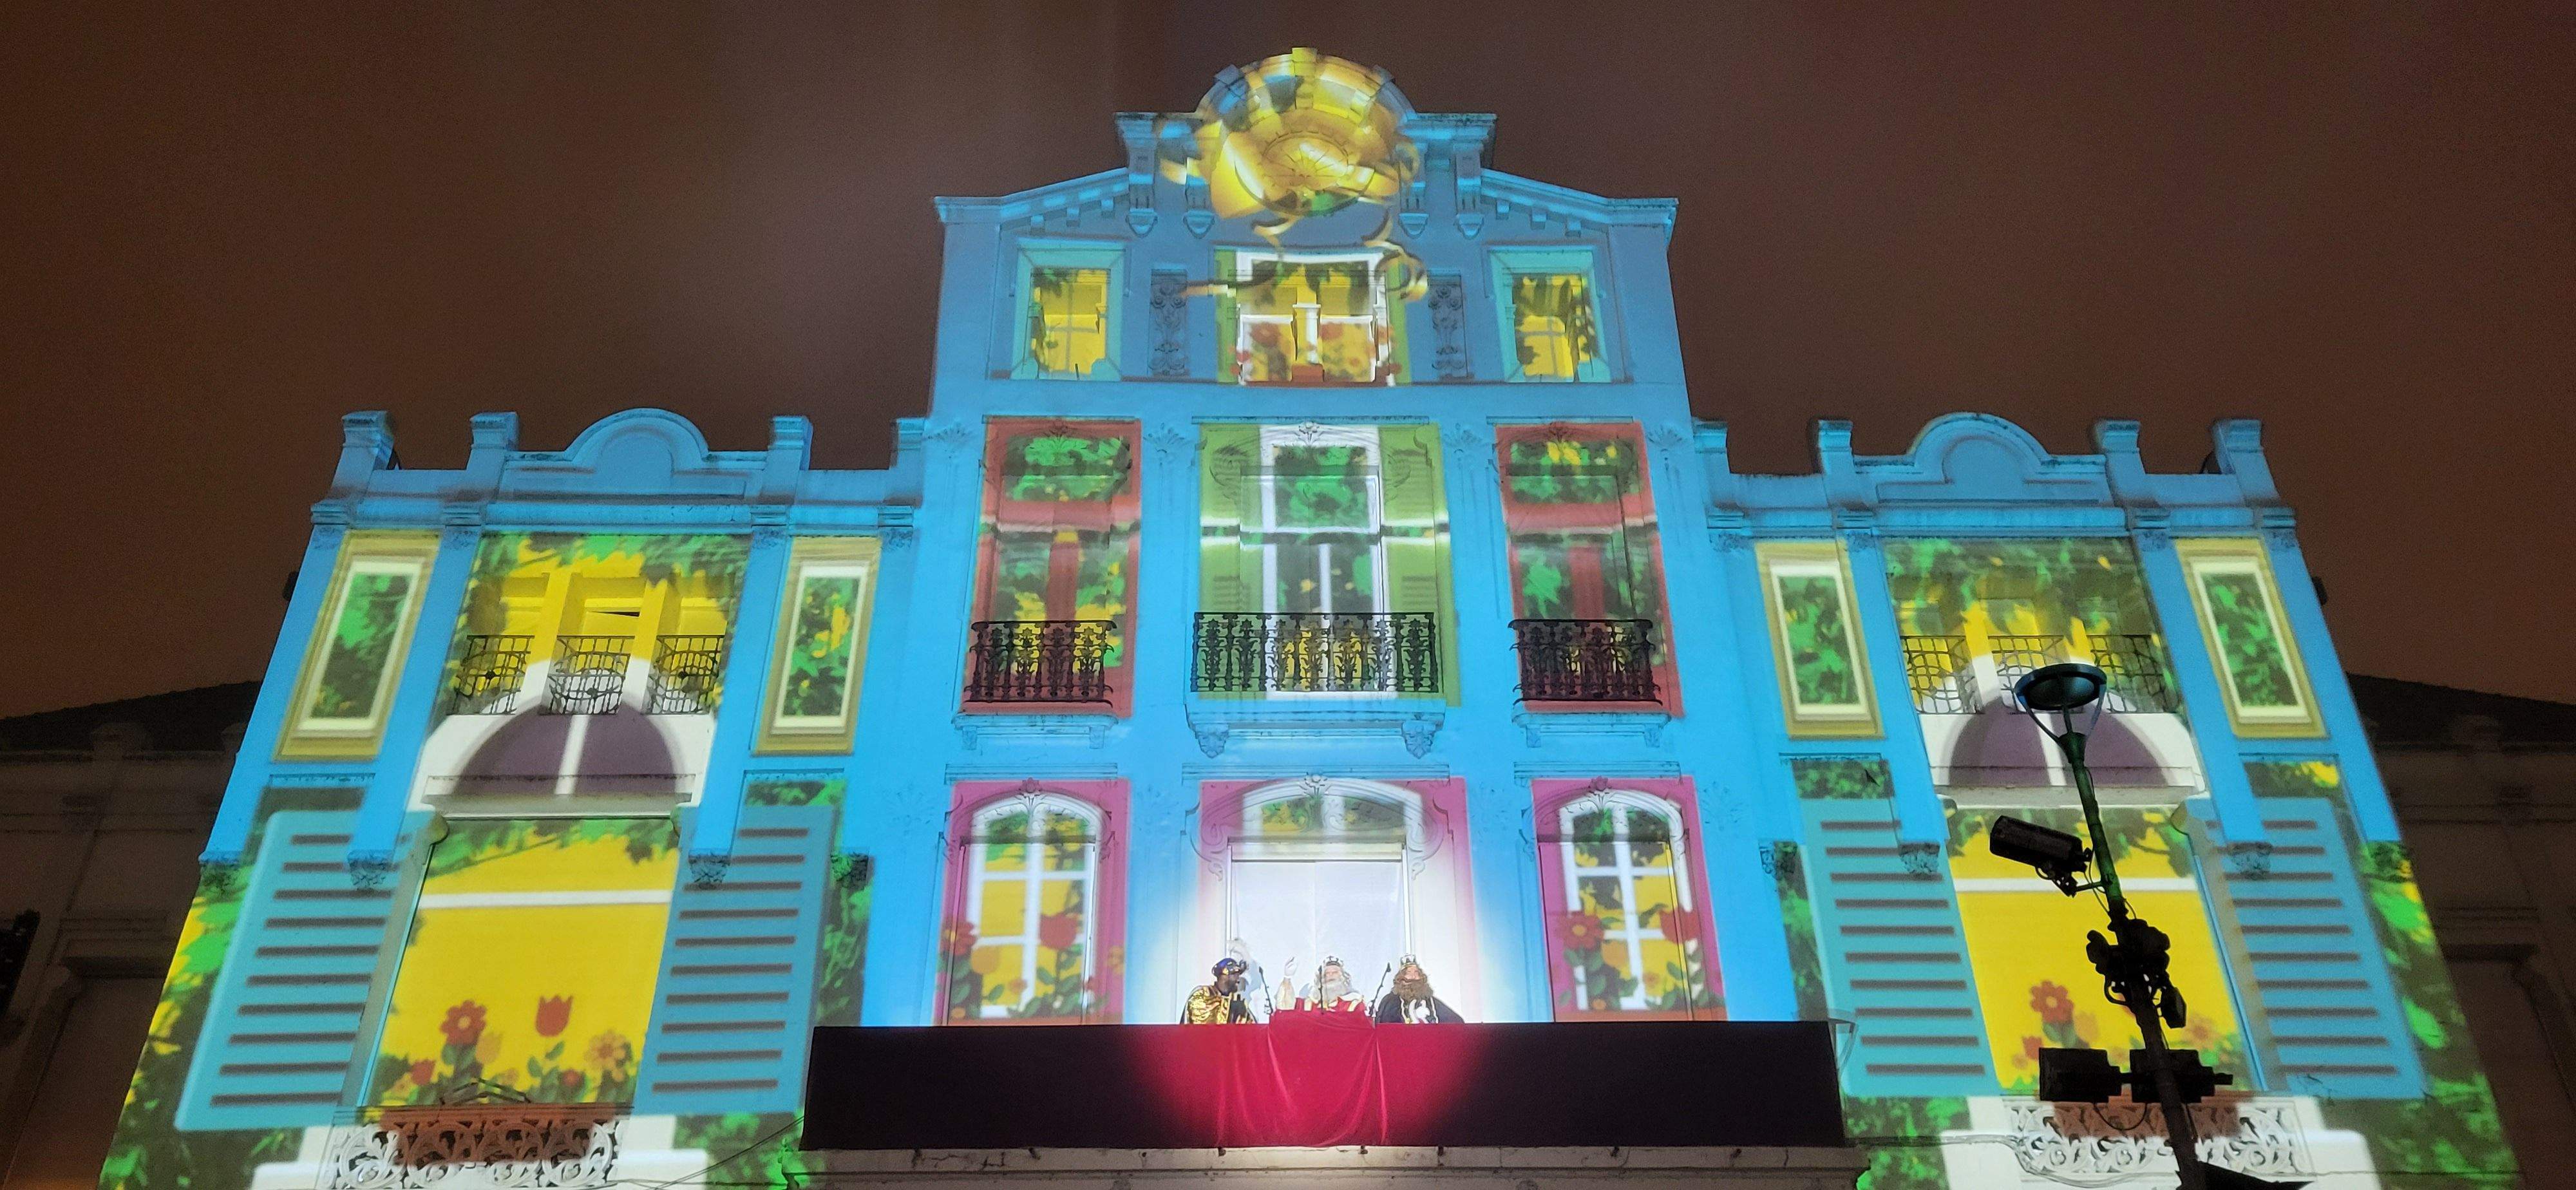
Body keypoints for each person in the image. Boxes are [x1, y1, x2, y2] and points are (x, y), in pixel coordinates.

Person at [1373, 955, 1463, 1025]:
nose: (1414, 976)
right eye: (1409, 973)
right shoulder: (1390, 1002)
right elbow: (1384, 1028)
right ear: (1401, 978)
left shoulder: (1432, 1003)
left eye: (1417, 973)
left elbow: (1457, 1023)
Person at [1283, 956, 1370, 1013]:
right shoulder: (1309, 1004)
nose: (1330, 975)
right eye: (1327, 973)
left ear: (1343, 977)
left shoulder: (1354, 1003)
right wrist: (1287, 978)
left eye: (1335, 972)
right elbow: (1285, 1010)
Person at [1181, 957, 1255, 1025]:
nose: (1238, 979)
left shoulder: (1239, 1006)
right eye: (1235, 974)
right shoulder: (1203, 995)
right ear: (1224, 975)